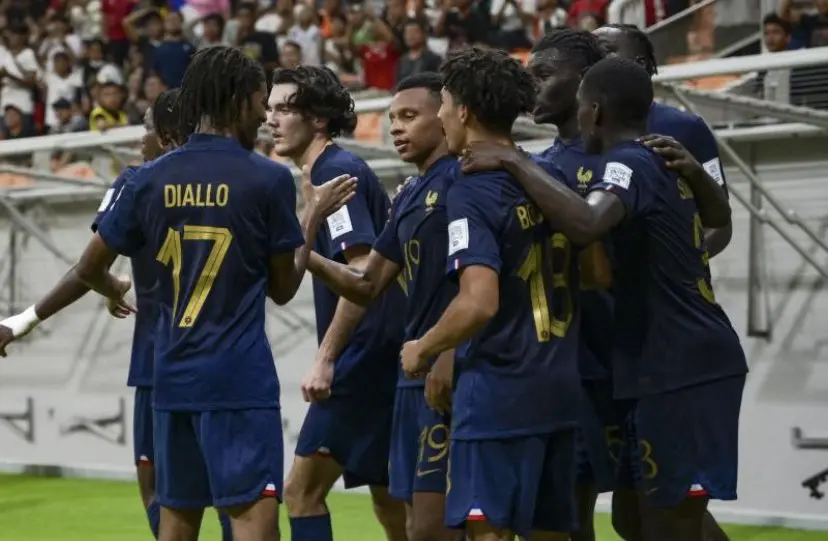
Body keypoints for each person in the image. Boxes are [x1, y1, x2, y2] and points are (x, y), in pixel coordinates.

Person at [69, 46, 355, 541]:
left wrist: (112, 285)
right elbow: (284, 288)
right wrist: (311, 216)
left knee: (176, 523)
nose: (265, 116)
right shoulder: (265, 179)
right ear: (239, 100)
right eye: (260, 102)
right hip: (236, 383)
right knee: (251, 522)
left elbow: (90, 266)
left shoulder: (147, 179)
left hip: (171, 380)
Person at [493, 56, 747, 541]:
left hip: (681, 365)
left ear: (595, 110)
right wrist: (696, 173)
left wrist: (513, 159)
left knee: (669, 522)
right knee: (635, 518)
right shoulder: (661, 156)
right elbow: (719, 211)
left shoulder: (628, 162)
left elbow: (588, 224)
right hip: (661, 362)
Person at [0, 89, 236, 541]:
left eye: (145, 128)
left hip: (160, 359)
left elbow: (89, 268)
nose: (139, 141)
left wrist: (26, 319)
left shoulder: (138, 181)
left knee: (159, 491)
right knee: (232, 493)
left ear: (167, 136)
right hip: (225, 357)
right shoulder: (236, 183)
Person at [399, 46, 584, 541]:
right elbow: (599, 270)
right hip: (562, 387)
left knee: (488, 533)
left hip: (500, 392)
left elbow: (479, 302)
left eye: (442, 104)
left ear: (463, 111)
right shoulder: (553, 176)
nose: (439, 114)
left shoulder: (472, 188)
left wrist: (424, 346)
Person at [460, 28, 614, 541]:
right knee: (571, 516)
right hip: (570, 366)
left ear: (585, 82)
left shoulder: (633, 156)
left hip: (635, 362)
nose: (533, 87)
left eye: (545, 75)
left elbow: (600, 269)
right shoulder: (540, 168)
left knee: (652, 514)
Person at [302, 72, 459, 541]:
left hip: (445, 372)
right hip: (407, 374)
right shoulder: (411, 193)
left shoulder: (463, 183)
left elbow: (474, 284)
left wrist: (447, 353)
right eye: (392, 118)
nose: (396, 127)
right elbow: (366, 282)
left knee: (440, 526)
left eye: (410, 116)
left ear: (449, 115)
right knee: (406, 512)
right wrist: (299, 244)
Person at [267, 65, 408, 541]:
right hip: (384, 353)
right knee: (390, 497)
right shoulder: (326, 173)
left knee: (301, 492)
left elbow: (362, 274)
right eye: (270, 108)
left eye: (284, 108)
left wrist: (326, 358)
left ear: (318, 120)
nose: (272, 119)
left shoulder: (334, 173)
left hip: (364, 357)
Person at [593, 23, 733, 258]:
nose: (594, 59)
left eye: (605, 50)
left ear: (640, 63)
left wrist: (682, 266)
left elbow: (720, 225)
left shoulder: (687, 128)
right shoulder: (583, 131)